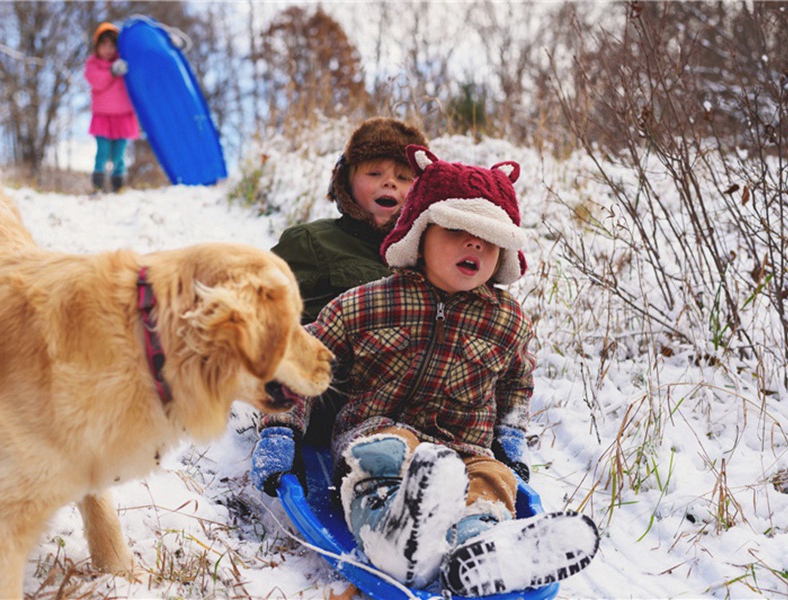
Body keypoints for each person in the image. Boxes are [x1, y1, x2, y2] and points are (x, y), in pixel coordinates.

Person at [251, 146, 600, 596]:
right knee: (383, 459)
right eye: (457, 229)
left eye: (488, 237)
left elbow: (516, 383)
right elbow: (302, 359)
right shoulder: (369, 302)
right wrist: (280, 430)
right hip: (379, 431)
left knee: (490, 483)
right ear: (419, 234)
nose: (474, 243)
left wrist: (509, 441)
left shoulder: (507, 321)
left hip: (464, 446)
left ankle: (481, 551)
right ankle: (394, 534)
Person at [270, 117, 428, 325]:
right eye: (374, 173)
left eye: (403, 178)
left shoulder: (430, 252)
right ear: (346, 181)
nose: (389, 183)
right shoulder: (310, 242)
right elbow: (261, 310)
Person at [84, 22, 139, 193]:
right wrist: (112, 72)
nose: (108, 48)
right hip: (102, 116)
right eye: (104, 44)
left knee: (118, 155)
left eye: (112, 44)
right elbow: (96, 81)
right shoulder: (93, 65)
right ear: (97, 47)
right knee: (102, 152)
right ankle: (98, 186)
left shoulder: (126, 63)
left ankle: (118, 185)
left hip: (123, 116)